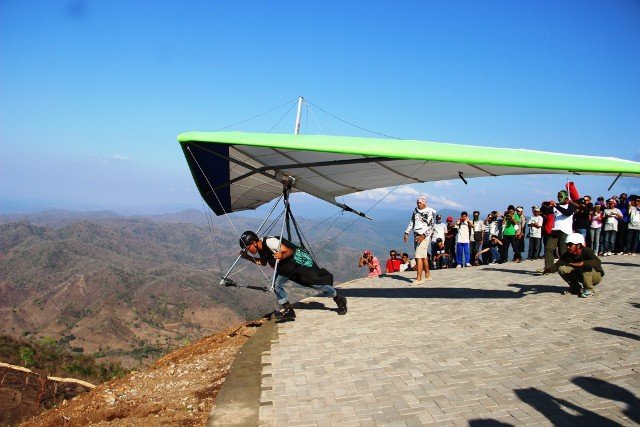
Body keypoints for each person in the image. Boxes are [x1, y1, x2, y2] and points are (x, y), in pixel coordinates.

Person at [239, 231, 347, 320]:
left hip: (297, 264)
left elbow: (289, 251)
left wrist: (281, 255)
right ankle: (289, 311)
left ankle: (338, 298)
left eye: (247, 248)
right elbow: (262, 262)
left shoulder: (270, 242)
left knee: (318, 284)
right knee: (277, 286)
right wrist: (247, 257)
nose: (248, 250)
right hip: (284, 269)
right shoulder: (260, 249)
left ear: (253, 242)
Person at [541, 233, 604, 298]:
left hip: (595, 276)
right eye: (567, 245)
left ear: (578, 245)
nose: (568, 247)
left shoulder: (586, 251)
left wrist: (583, 263)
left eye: (570, 245)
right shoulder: (567, 254)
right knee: (561, 269)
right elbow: (558, 264)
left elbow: (598, 261)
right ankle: (575, 288)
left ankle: (589, 289)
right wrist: (549, 269)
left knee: (585, 267)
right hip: (581, 274)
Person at [403, 195, 435, 284]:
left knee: (418, 256)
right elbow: (412, 222)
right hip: (416, 235)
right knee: (423, 256)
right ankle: (427, 275)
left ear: (424, 203)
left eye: (420, 203)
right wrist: (407, 232)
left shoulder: (429, 212)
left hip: (423, 236)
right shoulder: (415, 211)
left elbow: (431, 226)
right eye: (417, 202)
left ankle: (419, 279)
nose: (418, 204)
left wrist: (423, 236)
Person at [542, 190, 575, 270]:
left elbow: (567, 213)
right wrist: (545, 205)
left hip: (565, 231)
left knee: (563, 250)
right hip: (555, 230)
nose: (559, 198)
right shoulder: (555, 206)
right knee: (549, 247)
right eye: (558, 196)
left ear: (565, 197)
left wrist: (556, 206)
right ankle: (548, 267)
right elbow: (545, 212)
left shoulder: (570, 205)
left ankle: (566, 266)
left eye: (560, 196)